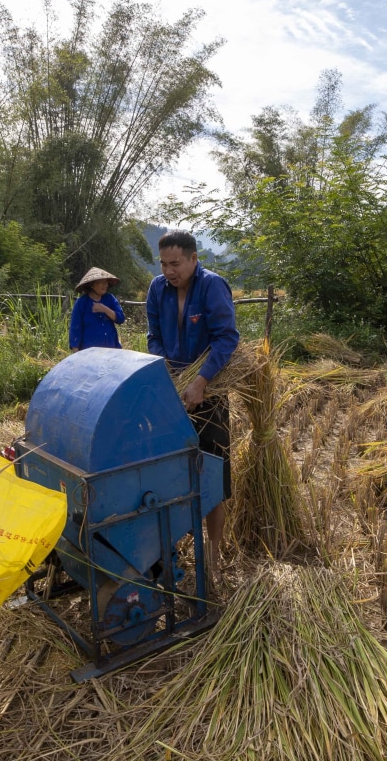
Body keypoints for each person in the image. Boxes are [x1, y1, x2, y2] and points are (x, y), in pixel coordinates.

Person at [145, 230, 239, 574]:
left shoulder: (212, 286)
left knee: (214, 474)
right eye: (164, 264)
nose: (170, 271)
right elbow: (154, 336)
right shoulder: (157, 289)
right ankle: (172, 547)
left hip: (209, 392)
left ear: (194, 259)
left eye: (176, 264)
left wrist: (200, 381)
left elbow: (227, 338)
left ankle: (213, 556)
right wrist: (166, 374)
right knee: (171, 470)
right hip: (172, 395)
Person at [69, 267, 125, 351]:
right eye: (101, 282)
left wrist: (105, 309)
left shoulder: (110, 299)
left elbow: (121, 318)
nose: (105, 285)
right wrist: (76, 352)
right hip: (89, 352)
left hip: (112, 349)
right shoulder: (82, 303)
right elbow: (75, 328)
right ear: (92, 285)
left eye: (106, 282)